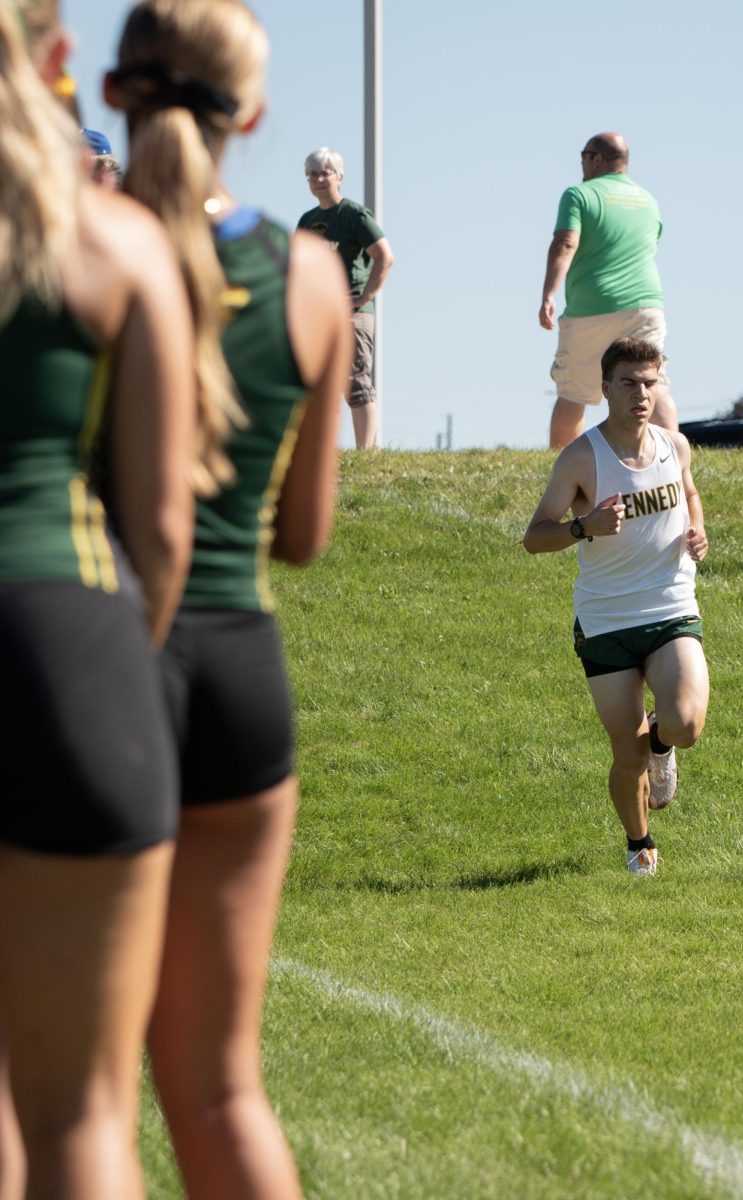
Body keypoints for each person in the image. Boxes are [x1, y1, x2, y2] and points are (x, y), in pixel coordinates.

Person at [107, 2, 352, 1197]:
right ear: (249, 114)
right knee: (218, 1087)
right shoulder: (311, 272)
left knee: (70, 1103)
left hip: (98, 663)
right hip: (243, 675)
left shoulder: (82, 245)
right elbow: (303, 539)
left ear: (114, 94)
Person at [0, 1, 195, 1196]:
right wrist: (113, 670)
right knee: (82, 1120)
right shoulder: (119, 247)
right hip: (75, 650)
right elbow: (162, 529)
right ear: (63, 61)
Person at [524, 337, 708, 875]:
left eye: (650, 382)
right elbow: (535, 537)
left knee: (687, 723)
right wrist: (584, 526)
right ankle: (639, 844)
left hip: (670, 605)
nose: (640, 393)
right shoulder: (582, 457)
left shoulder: (676, 446)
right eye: (628, 382)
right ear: (606, 389)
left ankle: (663, 739)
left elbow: (690, 494)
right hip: (606, 619)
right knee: (626, 754)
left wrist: (697, 530)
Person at [539, 132, 679, 449]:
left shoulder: (579, 195)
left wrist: (549, 292)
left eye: (583, 157)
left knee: (574, 392)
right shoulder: (648, 200)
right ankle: (672, 465)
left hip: (592, 306)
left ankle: (565, 468)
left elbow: (566, 242)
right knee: (655, 385)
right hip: (645, 304)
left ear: (596, 158)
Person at [297, 146, 393, 449]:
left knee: (356, 383)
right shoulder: (308, 220)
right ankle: (325, 453)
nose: (319, 179)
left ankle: (365, 451)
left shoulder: (354, 215)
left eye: (325, 172)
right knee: (320, 386)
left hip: (353, 311)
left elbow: (385, 256)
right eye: (312, 174)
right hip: (319, 314)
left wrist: (366, 295)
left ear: (339, 176)